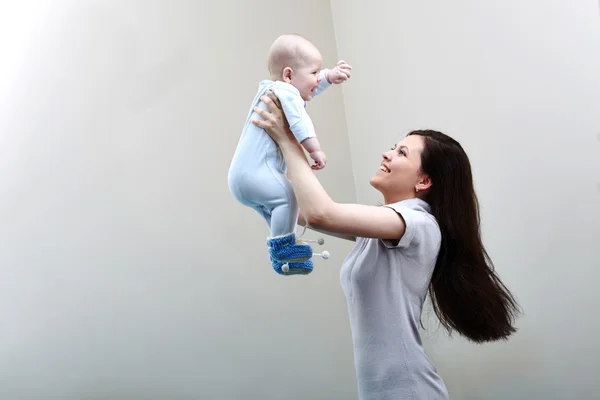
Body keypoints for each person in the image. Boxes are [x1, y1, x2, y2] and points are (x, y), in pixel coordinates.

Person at [250, 91, 521, 399]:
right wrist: (255, 174)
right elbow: (299, 214)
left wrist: (289, 141)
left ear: (424, 181)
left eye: (402, 153)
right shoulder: (383, 226)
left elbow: (321, 213)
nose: (387, 154)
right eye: (394, 147)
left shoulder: (417, 224)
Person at [227, 34, 352, 276]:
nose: (318, 78)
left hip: (242, 178)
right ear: (288, 75)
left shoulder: (274, 89)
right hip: (255, 175)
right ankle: (283, 249)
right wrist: (314, 149)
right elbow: (299, 121)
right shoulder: (285, 92)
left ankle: (284, 252)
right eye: (315, 73)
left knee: (281, 211)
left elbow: (307, 91)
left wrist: (328, 76)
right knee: (287, 197)